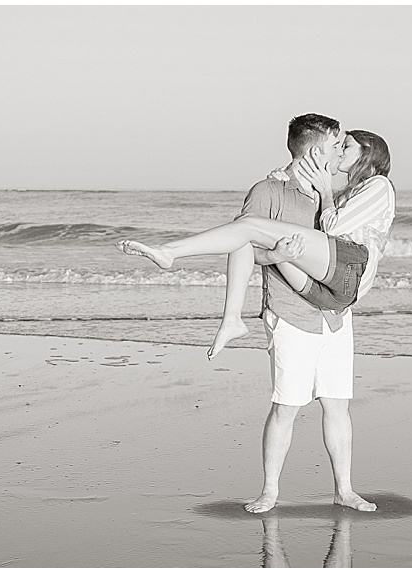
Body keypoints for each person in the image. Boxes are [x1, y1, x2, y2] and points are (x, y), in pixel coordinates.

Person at [119, 113, 386, 513]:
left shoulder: (337, 192)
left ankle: (344, 490)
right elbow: (243, 247)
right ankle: (270, 491)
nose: (339, 153)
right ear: (316, 150)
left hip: (333, 315)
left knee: (337, 404)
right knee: (286, 407)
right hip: (291, 312)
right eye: (336, 145)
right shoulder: (269, 190)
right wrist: (276, 255)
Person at [116, 129, 396, 361]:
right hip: (330, 295)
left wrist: (324, 190)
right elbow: (322, 217)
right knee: (246, 234)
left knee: (248, 224)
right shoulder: (349, 192)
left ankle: (169, 252)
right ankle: (231, 320)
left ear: (367, 152)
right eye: (337, 145)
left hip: (350, 269)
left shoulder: (380, 185)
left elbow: (332, 226)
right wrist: (286, 176)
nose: (340, 151)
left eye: (346, 146)